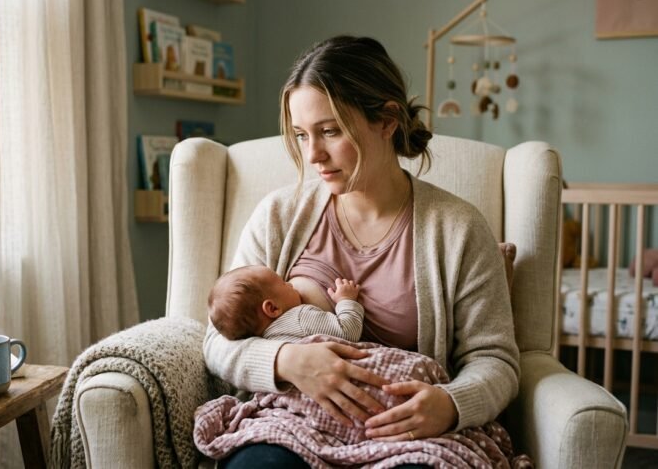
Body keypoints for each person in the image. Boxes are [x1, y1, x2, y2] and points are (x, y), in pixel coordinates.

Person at [202, 35, 519, 469]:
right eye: (301, 135)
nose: (313, 154)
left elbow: (496, 358)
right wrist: (286, 359)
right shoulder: (278, 215)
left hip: (407, 436)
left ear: (387, 119)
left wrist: (450, 403)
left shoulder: (458, 229)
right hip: (293, 425)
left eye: (329, 131)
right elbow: (218, 341)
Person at [208, 264, 364, 342]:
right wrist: (346, 300)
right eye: (283, 283)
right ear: (272, 308)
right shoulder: (300, 318)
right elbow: (348, 332)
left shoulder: (266, 341)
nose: (290, 284)